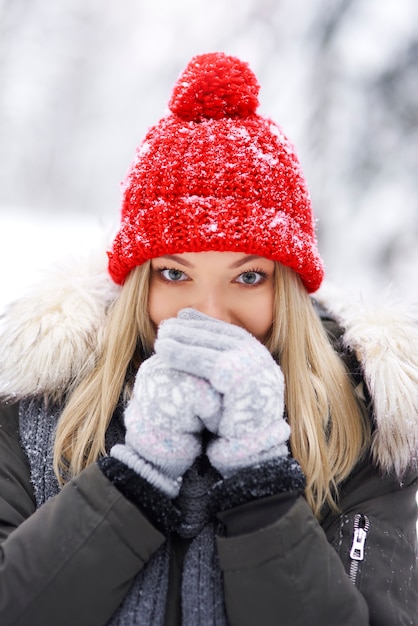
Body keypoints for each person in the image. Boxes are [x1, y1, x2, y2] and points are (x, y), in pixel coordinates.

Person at [0, 52, 417, 626]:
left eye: (249, 277)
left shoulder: (364, 430)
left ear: (287, 291)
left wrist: (261, 480)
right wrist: (135, 478)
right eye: (175, 274)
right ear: (139, 284)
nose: (211, 315)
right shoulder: (36, 412)